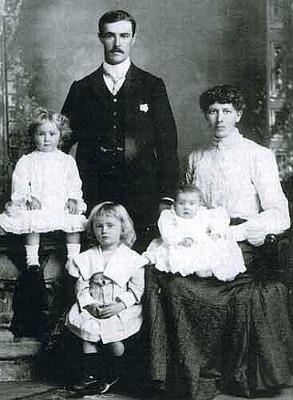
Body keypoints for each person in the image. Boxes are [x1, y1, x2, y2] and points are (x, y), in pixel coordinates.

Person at [144, 85, 293, 400]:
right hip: (204, 238)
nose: (220, 118)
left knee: (234, 287)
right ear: (205, 115)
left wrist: (237, 233)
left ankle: (232, 372)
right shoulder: (197, 156)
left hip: (246, 242)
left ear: (238, 115)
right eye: (213, 111)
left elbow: (280, 215)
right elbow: (190, 206)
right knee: (169, 283)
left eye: (227, 111)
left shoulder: (258, 155)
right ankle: (188, 372)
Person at [61, 10, 179, 249]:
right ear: (100, 38)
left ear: (133, 38)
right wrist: (62, 193)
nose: (117, 43)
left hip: (142, 193)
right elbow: (60, 145)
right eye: (110, 35)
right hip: (94, 191)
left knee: (139, 266)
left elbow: (168, 144)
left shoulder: (152, 86)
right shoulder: (82, 89)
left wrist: (166, 196)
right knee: (94, 263)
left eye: (124, 35)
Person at [0, 108, 86, 339]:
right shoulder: (27, 161)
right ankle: (32, 261)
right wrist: (27, 197)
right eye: (41, 134)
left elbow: (74, 184)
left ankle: (73, 257)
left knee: (74, 221)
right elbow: (19, 185)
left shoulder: (66, 161)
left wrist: (72, 198)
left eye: (52, 134)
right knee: (31, 221)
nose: (47, 139)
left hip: (59, 206)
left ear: (61, 136)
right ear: (33, 136)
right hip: (38, 206)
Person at [65, 202, 148, 395]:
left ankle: (116, 372)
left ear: (122, 229)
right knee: (88, 334)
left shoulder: (132, 258)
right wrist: (89, 305)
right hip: (93, 307)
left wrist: (120, 305)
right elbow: (81, 287)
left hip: (119, 308)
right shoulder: (87, 257)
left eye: (110, 226)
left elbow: (137, 289)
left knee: (114, 339)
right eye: (99, 226)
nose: (104, 231)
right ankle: (90, 376)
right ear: (93, 229)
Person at [144, 183, 246, 281]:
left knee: (219, 247)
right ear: (175, 204)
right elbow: (167, 233)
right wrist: (180, 240)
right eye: (181, 203)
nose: (186, 207)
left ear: (198, 204)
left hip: (200, 240)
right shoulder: (170, 216)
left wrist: (216, 232)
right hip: (181, 244)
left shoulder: (201, 213)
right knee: (182, 254)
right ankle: (199, 269)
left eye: (192, 204)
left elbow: (217, 219)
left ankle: (224, 271)